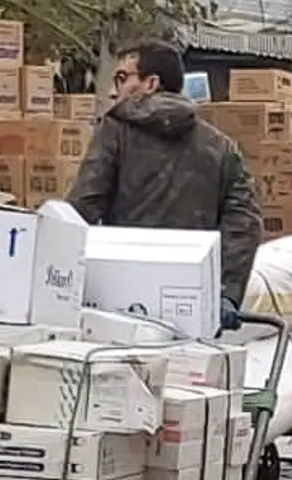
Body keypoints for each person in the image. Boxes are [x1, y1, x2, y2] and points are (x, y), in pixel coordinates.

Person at [65, 40, 262, 334]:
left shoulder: (116, 131)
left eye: (122, 78)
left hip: (120, 299)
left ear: (151, 83)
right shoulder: (220, 146)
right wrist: (226, 295)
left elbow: (82, 209)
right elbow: (243, 224)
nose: (111, 91)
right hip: (190, 299)